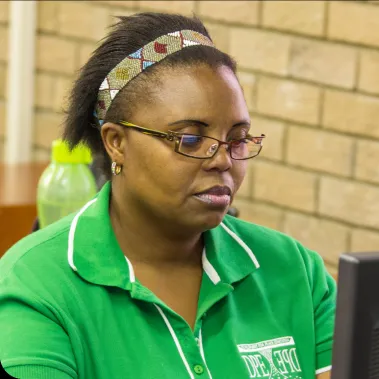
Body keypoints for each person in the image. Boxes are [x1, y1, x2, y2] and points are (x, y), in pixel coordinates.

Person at [0, 12, 335, 379]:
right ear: (116, 143)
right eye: (190, 139)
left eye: (238, 139)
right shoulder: (38, 286)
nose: (223, 159)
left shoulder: (295, 271)